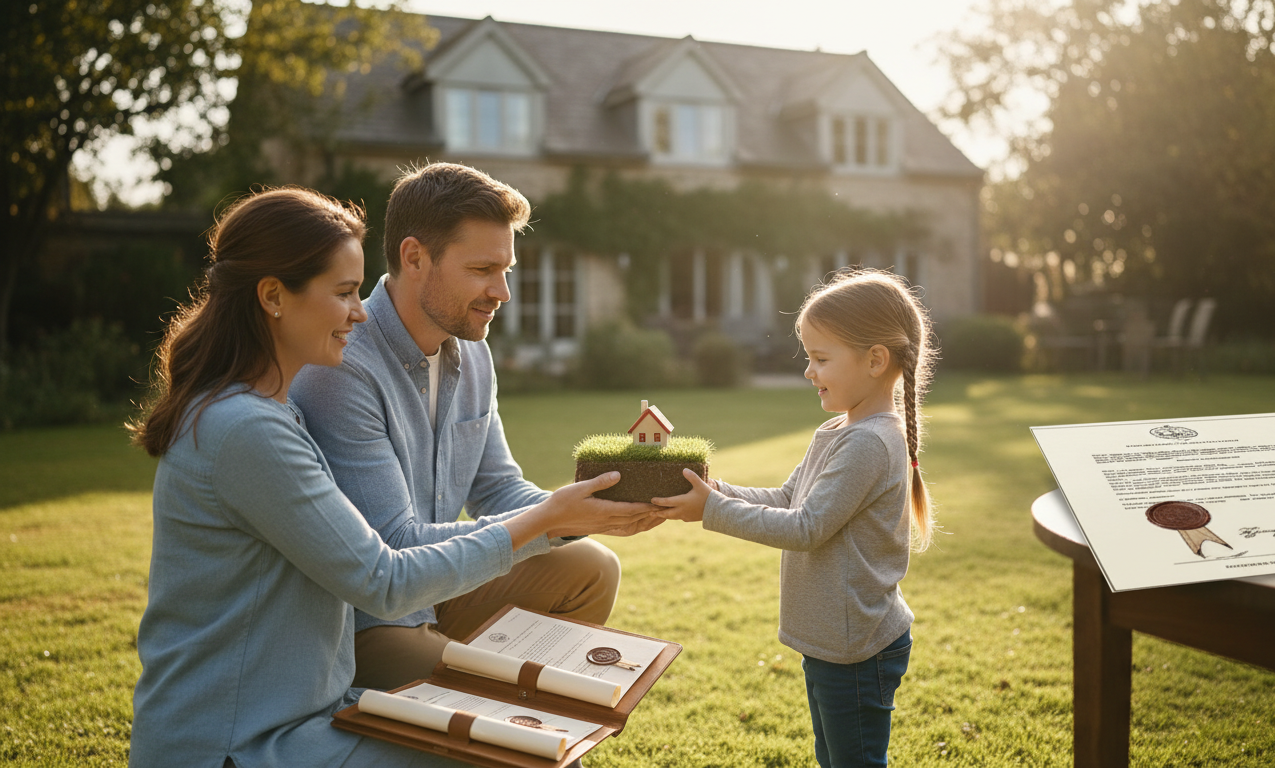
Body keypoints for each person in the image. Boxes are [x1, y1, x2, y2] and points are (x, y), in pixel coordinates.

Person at [126, 187, 651, 768]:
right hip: (240, 743)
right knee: (517, 750)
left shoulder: (271, 412)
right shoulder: (252, 428)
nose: (358, 310)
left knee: (531, 740)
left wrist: (576, 513)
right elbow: (383, 577)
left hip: (310, 708)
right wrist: (548, 519)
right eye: (345, 292)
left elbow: (483, 497)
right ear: (273, 297)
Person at [290, 163, 653, 692]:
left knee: (591, 567)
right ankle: (499, 702)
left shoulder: (474, 355)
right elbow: (395, 547)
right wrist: (551, 517)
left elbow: (497, 488)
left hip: (442, 586)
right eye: (483, 269)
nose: (502, 292)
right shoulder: (342, 370)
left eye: (506, 270)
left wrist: (587, 509)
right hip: (366, 619)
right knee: (494, 690)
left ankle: (512, 696)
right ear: (415, 258)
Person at [652, 269, 937, 768]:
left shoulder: (869, 442)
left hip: (857, 648)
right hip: (834, 640)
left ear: (875, 360)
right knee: (833, 757)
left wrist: (712, 511)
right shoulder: (839, 429)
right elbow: (788, 497)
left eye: (821, 359)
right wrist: (716, 491)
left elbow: (806, 528)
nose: (809, 372)